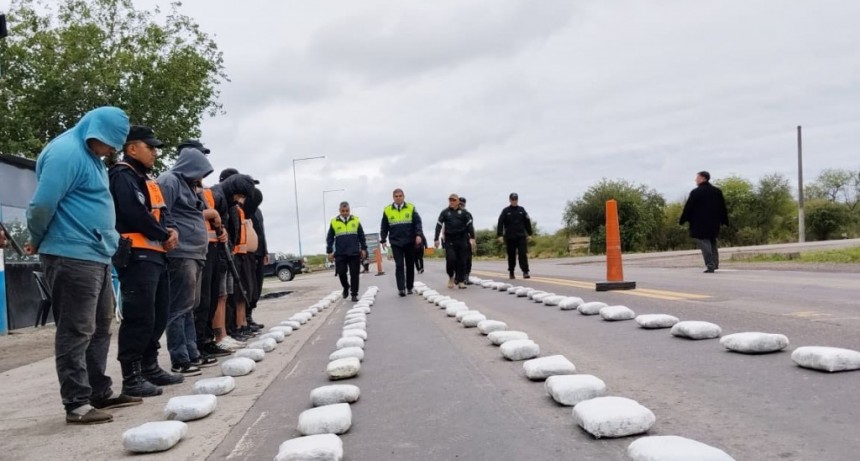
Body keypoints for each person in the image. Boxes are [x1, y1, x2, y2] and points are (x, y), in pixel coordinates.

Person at [26, 106, 137, 425]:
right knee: (76, 328)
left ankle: (97, 392)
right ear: (93, 132)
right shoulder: (66, 153)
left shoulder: (93, 158)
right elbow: (42, 205)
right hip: (71, 253)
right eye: (107, 144)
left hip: (97, 253)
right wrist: (37, 237)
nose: (110, 151)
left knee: (101, 324)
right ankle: (76, 402)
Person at [109, 126, 184, 398]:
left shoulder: (147, 178)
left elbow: (162, 211)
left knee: (158, 313)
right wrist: (163, 234)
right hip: (136, 255)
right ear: (131, 148)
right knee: (139, 316)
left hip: (156, 254)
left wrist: (172, 230)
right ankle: (132, 377)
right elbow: (133, 213)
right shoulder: (121, 176)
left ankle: (150, 367)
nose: (154, 152)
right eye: (149, 147)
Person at [158, 145, 216, 376]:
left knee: (191, 305)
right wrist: (171, 232)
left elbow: (200, 209)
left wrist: (199, 191)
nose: (201, 178)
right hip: (181, 252)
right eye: (200, 172)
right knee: (179, 306)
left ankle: (192, 351)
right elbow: (164, 212)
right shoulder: (169, 181)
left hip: (196, 252)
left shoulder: (192, 187)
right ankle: (179, 357)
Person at [679, 170, 729, 273]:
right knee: (712, 242)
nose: (695, 179)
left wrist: (683, 219)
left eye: (697, 177)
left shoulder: (696, 192)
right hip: (714, 223)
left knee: (704, 242)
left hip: (700, 224)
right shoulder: (717, 191)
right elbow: (722, 208)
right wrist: (724, 220)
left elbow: (688, 207)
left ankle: (710, 265)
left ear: (703, 178)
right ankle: (714, 264)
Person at [379, 188, 423, 297]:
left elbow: (418, 223)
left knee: (409, 265)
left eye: (400, 196)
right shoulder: (387, 210)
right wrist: (383, 240)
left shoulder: (411, 208)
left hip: (409, 241)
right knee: (399, 265)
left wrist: (418, 235)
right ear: (393, 198)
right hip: (396, 242)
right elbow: (384, 226)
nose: (398, 198)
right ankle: (401, 288)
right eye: (396, 196)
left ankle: (409, 287)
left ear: (404, 196)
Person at [326, 201, 367, 302]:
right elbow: (330, 238)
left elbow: (361, 236)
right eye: (343, 211)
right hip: (340, 253)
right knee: (341, 272)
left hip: (354, 252)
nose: (345, 213)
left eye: (347, 211)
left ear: (349, 210)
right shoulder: (334, 222)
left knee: (354, 274)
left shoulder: (356, 220)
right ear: (339, 211)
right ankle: (345, 287)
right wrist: (329, 251)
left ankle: (354, 294)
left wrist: (363, 248)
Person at [434, 193, 476, 289]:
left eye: (454, 200)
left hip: (462, 239)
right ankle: (451, 277)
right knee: (451, 259)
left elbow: (470, 226)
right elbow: (439, 225)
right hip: (450, 240)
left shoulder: (464, 213)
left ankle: (461, 281)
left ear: (458, 202)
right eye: (450, 200)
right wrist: (436, 239)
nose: (452, 202)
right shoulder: (444, 212)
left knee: (462, 260)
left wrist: (472, 237)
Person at [497, 192, 533, 279]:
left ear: (517, 200)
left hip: (521, 236)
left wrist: (530, 234)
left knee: (522, 254)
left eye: (515, 199)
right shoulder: (505, 211)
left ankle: (525, 271)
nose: (514, 201)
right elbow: (500, 222)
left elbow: (527, 222)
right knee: (511, 255)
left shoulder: (522, 210)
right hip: (510, 237)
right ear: (510, 200)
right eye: (512, 199)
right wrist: (500, 235)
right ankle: (511, 272)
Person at [458, 196, 475, 284]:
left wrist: (473, 238)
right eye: (460, 203)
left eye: (462, 204)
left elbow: (471, 227)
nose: (461, 205)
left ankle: (466, 277)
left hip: (466, 238)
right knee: (458, 259)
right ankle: (458, 277)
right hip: (456, 239)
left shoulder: (468, 214)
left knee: (468, 259)